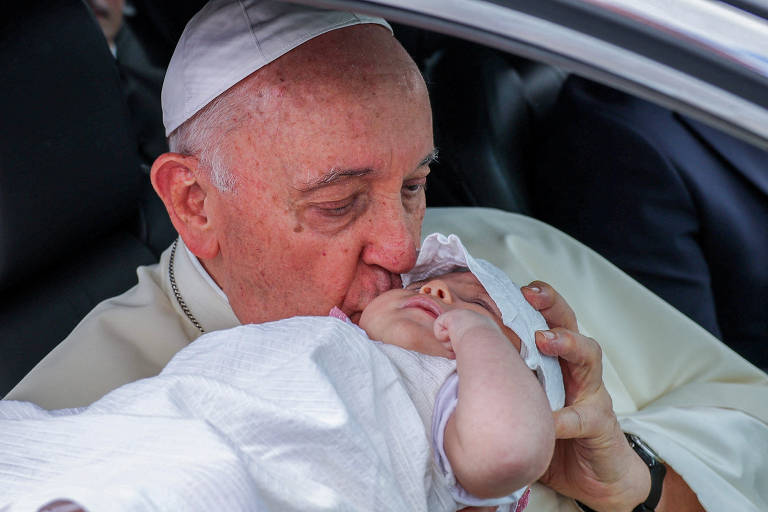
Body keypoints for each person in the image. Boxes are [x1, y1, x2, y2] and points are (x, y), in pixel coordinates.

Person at [4, 1, 767, 511]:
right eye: (338, 205)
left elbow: (751, 416)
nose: (405, 247)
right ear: (194, 204)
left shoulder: (505, 257)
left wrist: (632, 480)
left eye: (414, 184)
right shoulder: (92, 417)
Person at [0, 233, 561, 512]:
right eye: (422, 285)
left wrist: (473, 337)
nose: (436, 291)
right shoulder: (338, 331)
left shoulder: (449, 403)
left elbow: (509, 449)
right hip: (175, 418)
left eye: (480, 307)